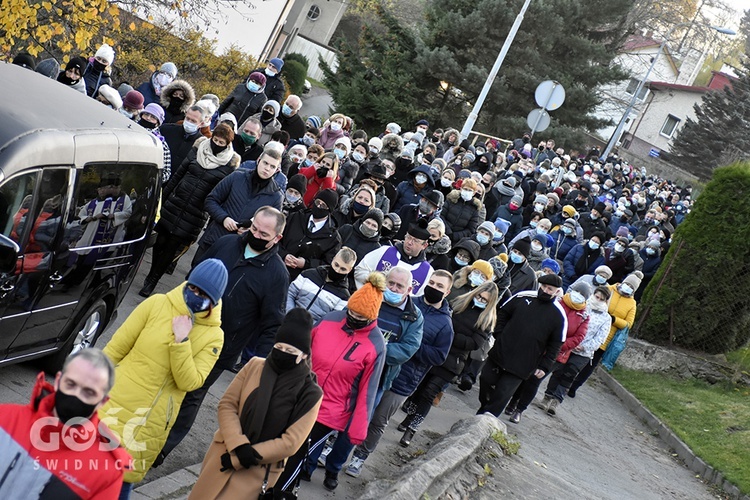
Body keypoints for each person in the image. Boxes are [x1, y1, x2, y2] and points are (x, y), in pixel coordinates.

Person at [156, 207, 289, 464]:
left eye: (264, 233)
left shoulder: (277, 275)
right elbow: (194, 276)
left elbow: (272, 324)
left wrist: (260, 364)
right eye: (254, 228)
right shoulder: (226, 244)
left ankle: (163, 447)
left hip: (222, 348)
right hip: (186, 329)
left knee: (192, 396)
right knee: (163, 380)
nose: (256, 235)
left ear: (277, 238)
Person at [101, 259, 228, 498]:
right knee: (83, 470)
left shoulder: (214, 337)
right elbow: (115, 349)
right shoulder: (157, 303)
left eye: (204, 294)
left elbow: (190, 382)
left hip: (150, 421)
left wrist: (181, 342)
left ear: (216, 300)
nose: (196, 295)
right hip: (114, 402)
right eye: (193, 288)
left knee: (123, 480)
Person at [188, 309, 323, 500]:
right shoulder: (254, 365)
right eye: (279, 347)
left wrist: (247, 455)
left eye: (290, 351)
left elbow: (291, 442)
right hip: (223, 454)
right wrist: (239, 444)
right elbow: (228, 405)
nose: (282, 353)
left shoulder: (311, 393)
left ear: (304, 355)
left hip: (258, 471)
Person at [274, 273, 387, 494]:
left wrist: (356, 431)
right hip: (299, 396)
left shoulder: (376, 345)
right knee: (282, 445)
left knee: (299, 452)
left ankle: (280, 492)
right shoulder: (330, 319)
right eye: (351, 312)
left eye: (360, 316)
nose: (353, 317)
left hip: (330, 412)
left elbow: (368, 391)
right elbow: (302, 352)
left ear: (371, 317)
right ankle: (285, 488)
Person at [320, 267, 424, 485]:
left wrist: (374, 352)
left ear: (409, 289)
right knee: (327, 418)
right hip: (346, 373)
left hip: (377, 379)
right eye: (391, 283)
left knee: (354, 427)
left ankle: (333, 467)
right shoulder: (370, 299)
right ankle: (314, 457)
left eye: (399, 286)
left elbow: (408, 349)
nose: (393, 289)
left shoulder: (414, 317)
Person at [345, 270, 454, 475]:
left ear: (447, 292)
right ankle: (337, 446)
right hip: (380, 370)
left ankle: (360, 457)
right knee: (356, 411)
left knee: (378, 421)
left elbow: (439, 356)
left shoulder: (445, 323)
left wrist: (411, 348)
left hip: (404, 379)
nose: (434, 288)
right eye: (431, 283)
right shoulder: (410, 304)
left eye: (440, 286)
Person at [0, 349, 129, 499]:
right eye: (71, 384)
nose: (76, 395)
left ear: (103, 401)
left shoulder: (106, 471)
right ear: (58, 380)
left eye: (89, 392)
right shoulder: (4, 418)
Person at [140, 123, 239, 296]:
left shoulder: (229, 165)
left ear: (227, 144)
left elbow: (222, 194)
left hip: (196, 212)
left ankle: (153, 280)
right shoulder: (199, 148)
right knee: (160, 241)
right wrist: (163, 198)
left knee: (172, 247)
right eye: (215, 139)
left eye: (221, 142)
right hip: (176, 202)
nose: (216, 143)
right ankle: (151, 274)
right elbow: (178, 174)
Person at [400, 281, 498, 443]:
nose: (479, 300)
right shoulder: (459, 304)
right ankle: (409, 416)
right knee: (421, 387)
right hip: (436, 352)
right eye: (479, 296)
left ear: (490, 304)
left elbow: (474, 343)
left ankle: (412, 428)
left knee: (429, 392)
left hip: (454, 361)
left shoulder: (486, 319)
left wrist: (451, 336)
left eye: (484, 300)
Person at [477, 273, 567, 417]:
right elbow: (503, 313)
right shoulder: (523, 296)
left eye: (550, 289)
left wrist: (544, 366)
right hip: (501, 351)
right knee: (485, 380)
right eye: (543, 286)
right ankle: (484, 406)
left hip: (524, 362)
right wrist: (499, 334)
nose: (545, 291)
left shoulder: (559, 315)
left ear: (557, 291)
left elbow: (556, 344)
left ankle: (486, 418)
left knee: (502, 393)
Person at [505, 281, 591, 424]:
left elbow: (578, 337)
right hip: (538, 347)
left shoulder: (584, 316)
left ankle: (520, 409)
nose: (578, 296)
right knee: (523, 374)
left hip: (556, 355)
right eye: (577, 292)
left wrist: (558, 344)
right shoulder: (557, 303)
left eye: (582, 295)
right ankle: (513, 401)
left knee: (535, 380)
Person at [193, 144, 283, 265]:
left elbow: (271, 227)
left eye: (272, 166)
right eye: (265, 163)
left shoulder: (276, 196)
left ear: (277, 170)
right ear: (258, 161)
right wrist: (224, 218)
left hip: (239, 251)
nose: (267, 168)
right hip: (214, 239)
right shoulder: (237, 176)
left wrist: (250, 230)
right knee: (193, 278)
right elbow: (211, 200)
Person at [541, 285, 612, 413]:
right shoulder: (583, 307)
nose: (597, 300)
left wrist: (584, 346)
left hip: (583, 352)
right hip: (568, 345)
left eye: (601, 299)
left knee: (569, 374)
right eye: (596, 296)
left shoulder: (606, 318)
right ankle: (548, 395)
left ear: (605, 301)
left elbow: (601, 338)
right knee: (558, 371)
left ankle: (556, 401)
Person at [569, 272, 640, 396]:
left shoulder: (632, 304)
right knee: (576, 358)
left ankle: (575, 386)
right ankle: (565, 380)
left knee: (590, 365)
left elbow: (628, 324)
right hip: (590, 331)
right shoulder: (609, 289)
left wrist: (614, 320)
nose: (628, 287)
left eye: (631, 287)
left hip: (606, 339)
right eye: (627, 284)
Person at [354, 218, 435, 295]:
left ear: (424, 245)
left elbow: (420, 299)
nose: (410, 242)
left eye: (415, 241)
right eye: (408, 237)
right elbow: (360, 270)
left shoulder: (427, 271)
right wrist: (376, 281)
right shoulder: (384, 251)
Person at [279, 188, 342, 281]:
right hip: (278, 265)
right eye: (317, 202)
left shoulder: (333, 238)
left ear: (330, 210)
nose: (319, 206)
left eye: (323, 205)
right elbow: (276, 238)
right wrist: (284, 255)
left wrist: (306, 264)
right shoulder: (296, 217)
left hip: (302, 279)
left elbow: (328, 264)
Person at [286, 247, 356, 321]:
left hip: (311, 330)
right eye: (336, 265)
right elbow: (290, 294)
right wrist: (290, 315)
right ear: (333, 259)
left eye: (343, 269)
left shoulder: (344, 296)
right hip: (287, 320)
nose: (337, 270)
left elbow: (330, 321)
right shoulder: (308, 274)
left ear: (350, 270)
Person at [161, 105, 207, 170]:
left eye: (193, 121)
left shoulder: (202, 144)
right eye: (187, 118)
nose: (189, 122)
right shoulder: (166, 130)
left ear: (201, 124)